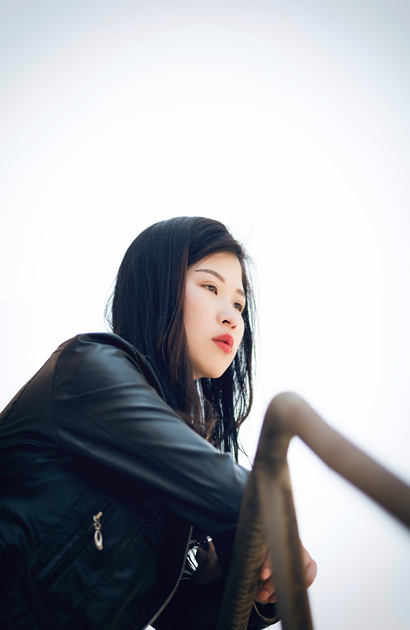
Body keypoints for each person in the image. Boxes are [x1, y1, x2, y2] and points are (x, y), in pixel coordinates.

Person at [0, 217, 316, 629]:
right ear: (158, 288)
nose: (232, 318)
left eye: (239, 305)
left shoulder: (178, 490)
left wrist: (261, 590)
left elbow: (188, 620)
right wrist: (267, 519)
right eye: (210, 287)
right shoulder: (88, 367)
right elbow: (227, 488)